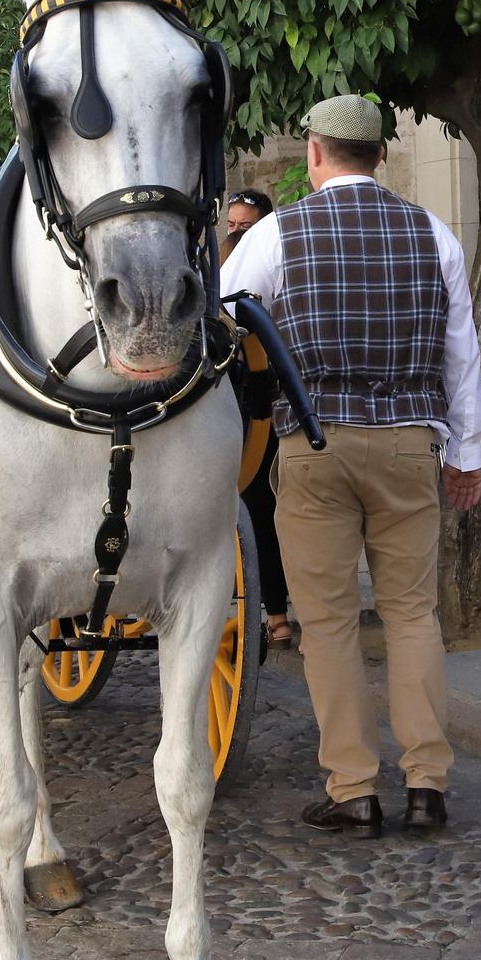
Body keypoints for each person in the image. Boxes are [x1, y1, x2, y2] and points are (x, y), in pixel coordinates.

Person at [223, 94, 481, 838]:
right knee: (412, 612)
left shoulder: (278, 231)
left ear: (313, 152)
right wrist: (466, 451)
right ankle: (428, 782)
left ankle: (354, 786)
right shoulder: (432, 232)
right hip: (409, 440)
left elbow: (220, 310)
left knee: (329, 622)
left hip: (314, 441)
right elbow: (460, 354)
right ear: (379, 154)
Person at [217, 223, 292, 650]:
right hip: (262, 425)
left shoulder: (231, 318)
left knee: (261, 515)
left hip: (249, 429)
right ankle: (278, 616)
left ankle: (278, 615)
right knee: (267, 518)